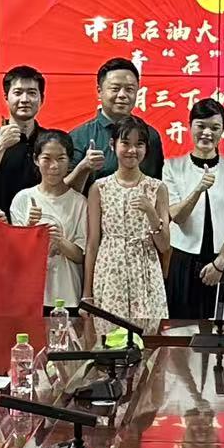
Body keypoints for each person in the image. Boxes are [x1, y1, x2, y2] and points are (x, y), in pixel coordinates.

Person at [162, 99, 224, 319]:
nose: (207, 133)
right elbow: (177, 216)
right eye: (201, 126)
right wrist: (198, 189)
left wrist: (220, 263)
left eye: (215, 127)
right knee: (182, 328)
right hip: (185, 259)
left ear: (223, 130)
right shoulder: (172, 167)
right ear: (190, 126)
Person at [84, 117, 169, 327]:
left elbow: (164, 245)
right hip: (110, 271)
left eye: (139, 144)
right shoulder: (99, 188)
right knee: (109, 336)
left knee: (147, 337)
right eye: (126, 143)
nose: (132, 150)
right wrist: (87, 293)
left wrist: (151, 212)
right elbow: (92, 243)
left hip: (145, 272)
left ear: (146, 149)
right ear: (113, 145)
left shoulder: (157, 188)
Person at [10, 129, 87, 307]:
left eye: (61, 158)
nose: (54, 166)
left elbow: (81, 256)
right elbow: (16, 254)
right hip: (31, 295)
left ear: (70, 161)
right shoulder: (23, 198)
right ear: (36, 159)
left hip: (68, 295)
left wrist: (59, 241)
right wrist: (30, 228)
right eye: (47, 158)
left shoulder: (79, 202)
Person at [68, 57, 163, 189]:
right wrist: (83, 168)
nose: (122, 95)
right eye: (115, 88)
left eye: (129, 89)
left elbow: (156, 184)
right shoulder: (79, 136)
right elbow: (62, 191)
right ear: (99, 91)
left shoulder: (151, 135)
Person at [0, 65, 47, 210]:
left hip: (41, 219)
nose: (24, 99)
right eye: (18, 93)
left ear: (41, 99)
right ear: (6, 98)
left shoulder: (50, 141)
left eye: (32, 93)